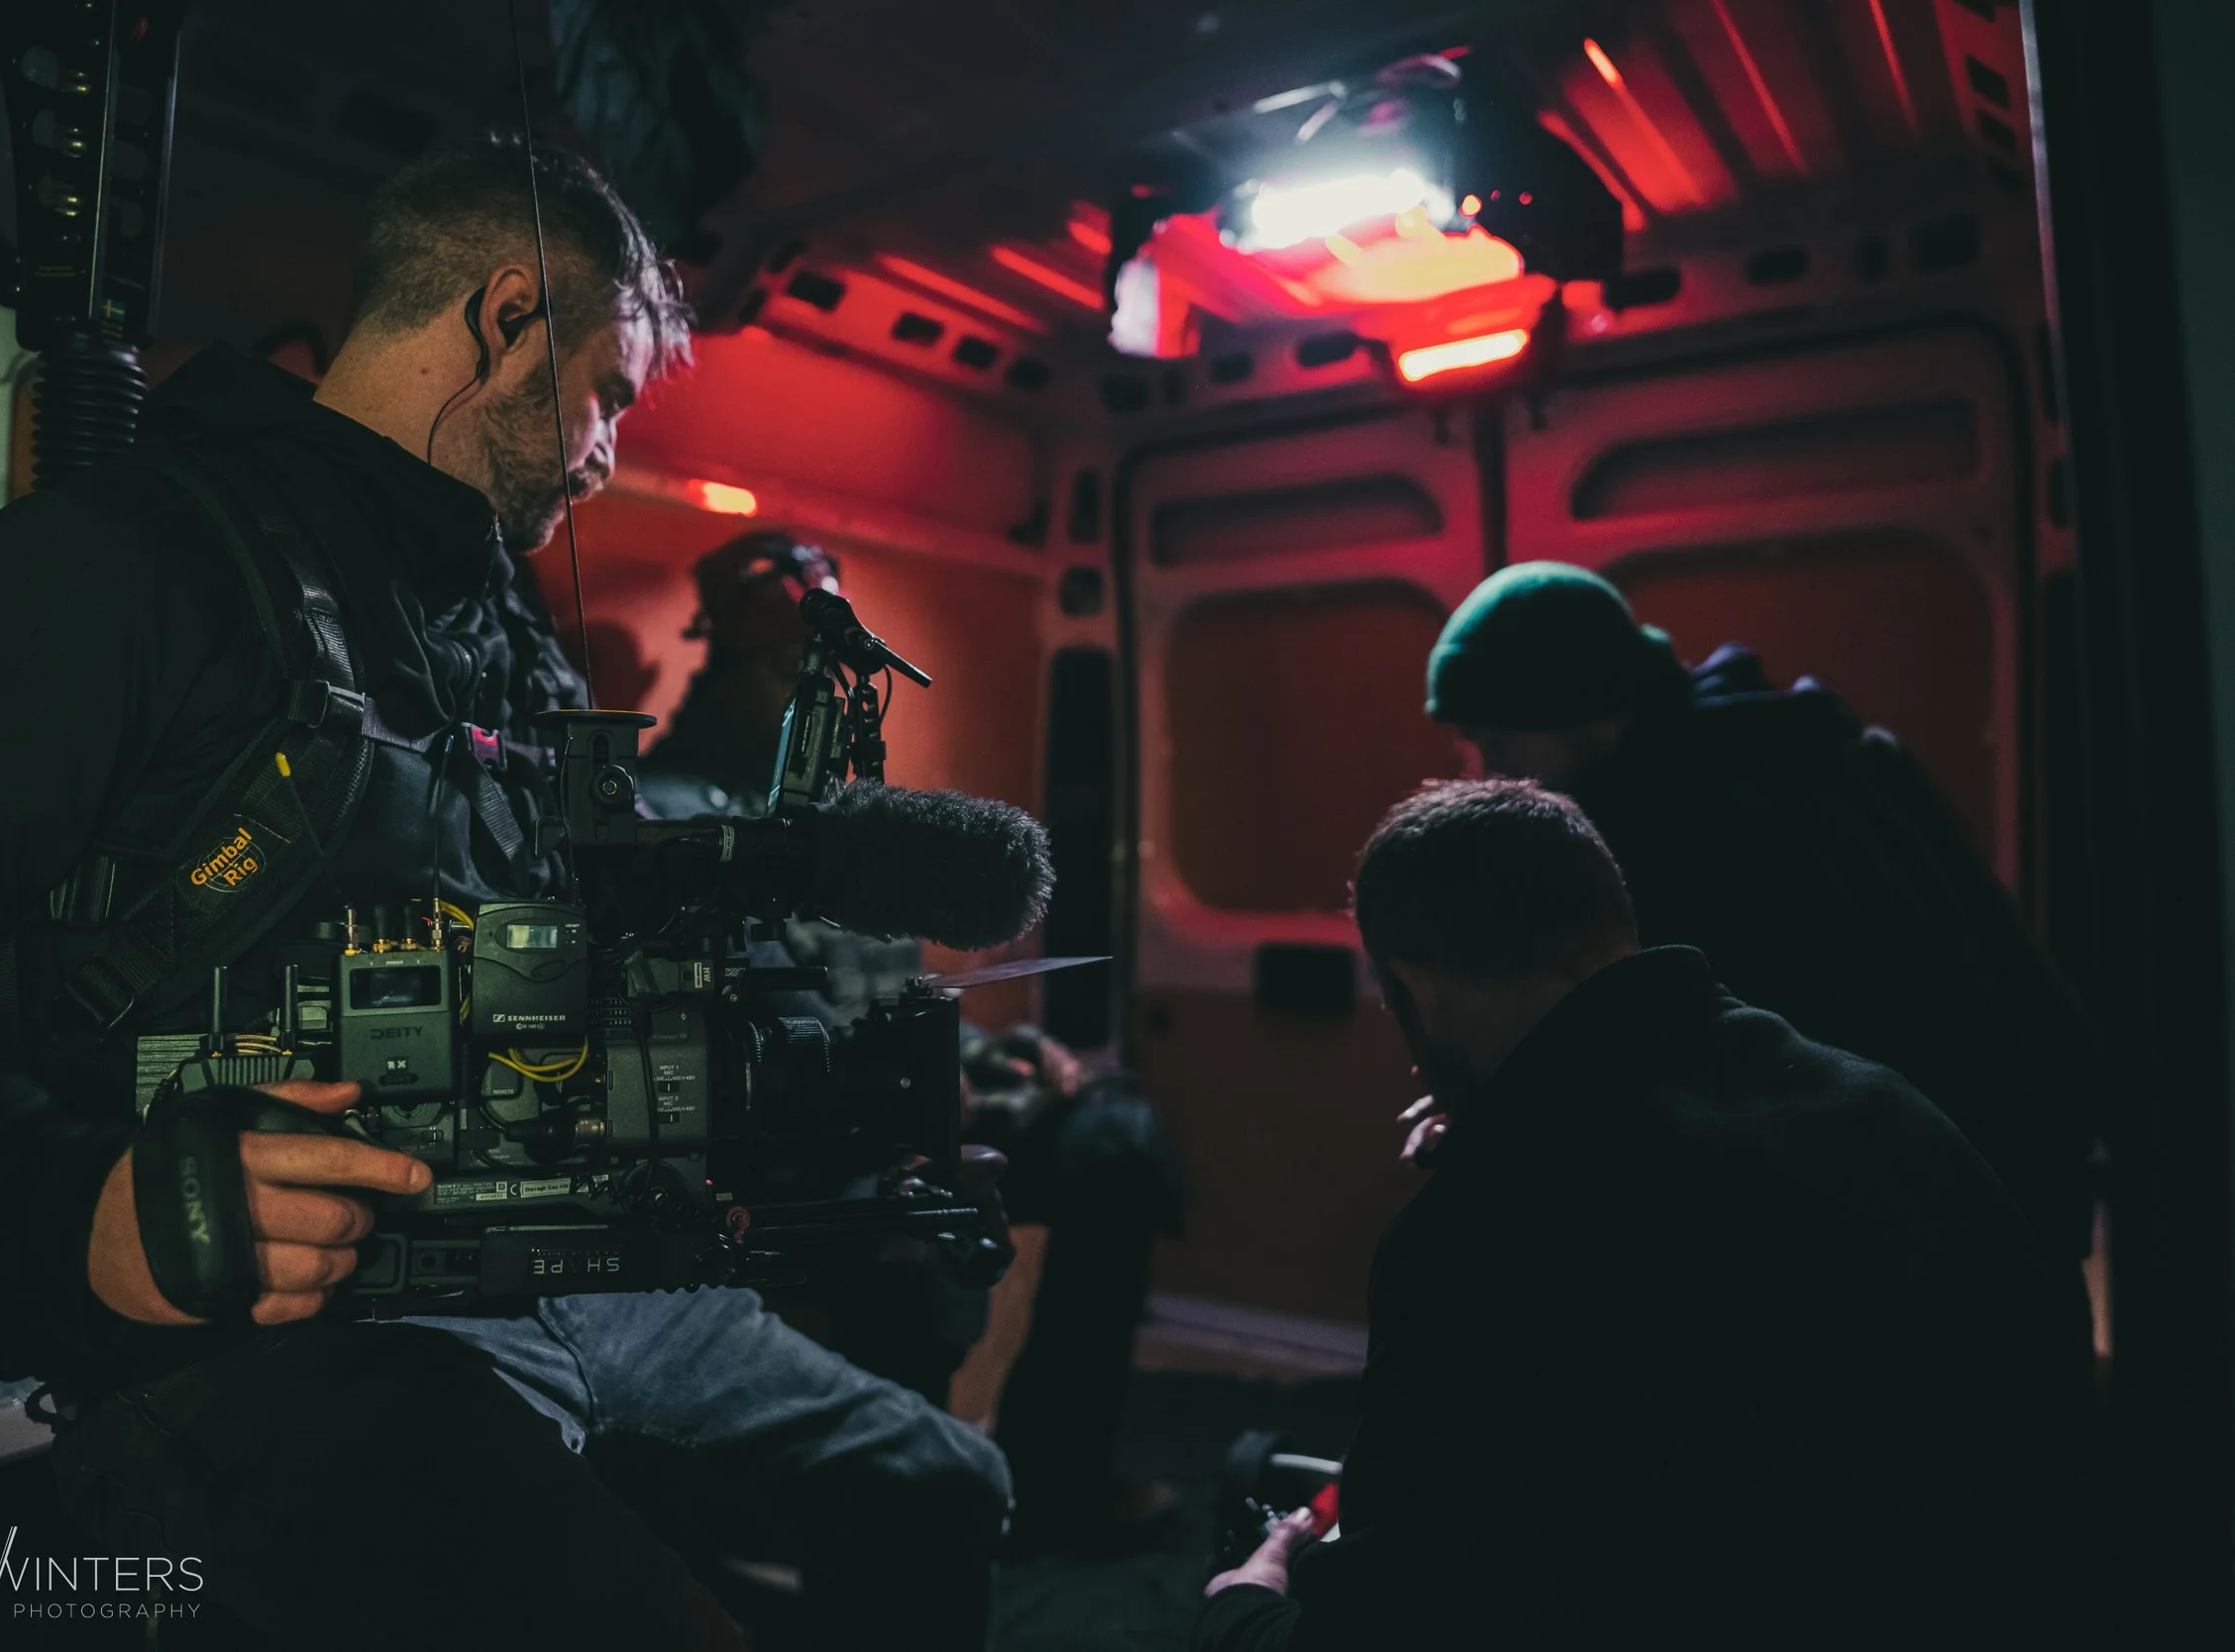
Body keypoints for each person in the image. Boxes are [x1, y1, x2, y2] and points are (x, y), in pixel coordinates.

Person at [0, 137, 1006, 1649]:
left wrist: (803, 867)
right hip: (269, 1325)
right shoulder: (130, 563)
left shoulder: (496, 626)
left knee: (946, 1483)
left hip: (562, 1258)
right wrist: (69, 1199)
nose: (608, 447)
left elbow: (580, 895)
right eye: (606, 390)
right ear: (502, 320)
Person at [1197, 779, 2093, 1652]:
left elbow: (1407, 1621)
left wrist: (1247, 1606)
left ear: (1417, 992)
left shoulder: (1482, 1237)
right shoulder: (1880, 1106)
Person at [641, 533, 1187, 1552]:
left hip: (904, 1105)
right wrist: (883, 1103)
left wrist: (987, 1059)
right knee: (911, 1235)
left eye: (832, 674)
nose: (824, 695)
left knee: (1113, 1144)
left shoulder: (847, 817)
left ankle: (1053, 1477)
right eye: (791, 670)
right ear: (736, 665)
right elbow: (730, 1037)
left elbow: (887, 986)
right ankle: (893, 1528)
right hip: (793, 1148)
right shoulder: (675, 820)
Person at [1423, 562, 2096, 1297]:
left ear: (1585, 711)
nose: (1489, 769)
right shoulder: (1793, 752)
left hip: (1926, 1240)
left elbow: (1711, 1070)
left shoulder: (1710, 822)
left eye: (1501, 738)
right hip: (1990, 1188)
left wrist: (1513, 1115)